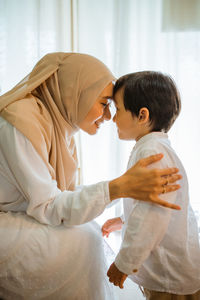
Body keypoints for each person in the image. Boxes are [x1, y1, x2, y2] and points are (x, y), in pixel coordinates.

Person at [0, 53, 181, 300]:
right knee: (84, 238)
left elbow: (60, 195)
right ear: (75, 92)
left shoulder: (60, 128)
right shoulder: (22, 123)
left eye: (113, 107)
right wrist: (119, 188)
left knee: (88, 231)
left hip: (25, 210)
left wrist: (120, 189)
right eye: (105, 103)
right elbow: (49, 205)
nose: (109, 116)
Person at [102, 71, 200, 299]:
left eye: (117, 110)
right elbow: (153, 205)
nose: (113, 119)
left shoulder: (152, 153)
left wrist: (124, 262)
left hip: (169, 275)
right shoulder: (153, 148)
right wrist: (123, 221)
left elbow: (152, 215)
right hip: (170, 270)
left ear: (142, 115)